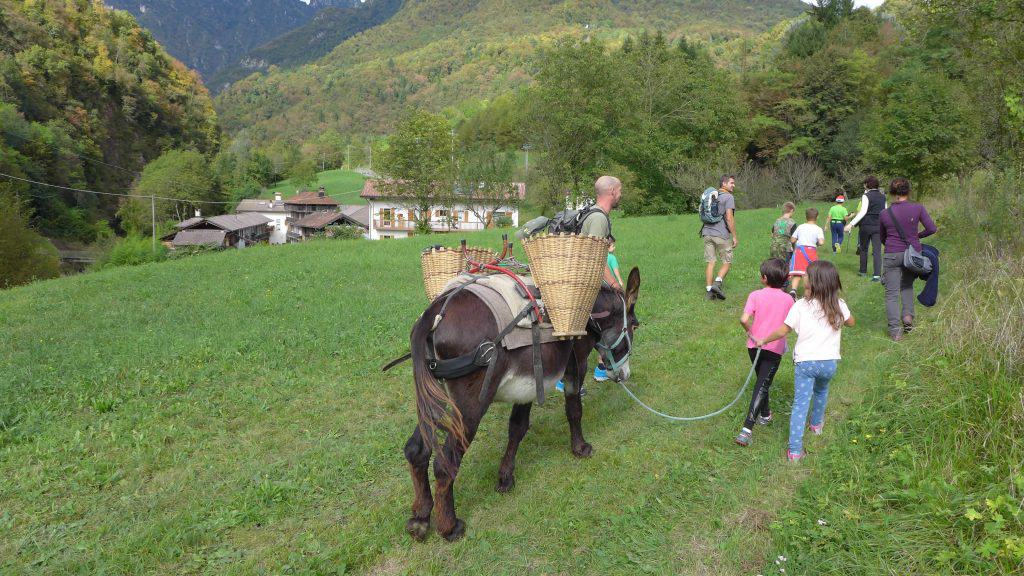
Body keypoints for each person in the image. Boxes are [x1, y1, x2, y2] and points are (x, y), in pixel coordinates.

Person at [754, 260, 855, 462]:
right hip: (829, 363)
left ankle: (794, 451)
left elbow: (784, 330)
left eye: (807, 276)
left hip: (806, 363)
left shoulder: (800, 306)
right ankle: (816, 425)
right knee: (821, 391)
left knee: (801, 403)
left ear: (814, 282)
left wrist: (764, 340)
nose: (804, 278)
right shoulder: (839, 304)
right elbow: (851, 322)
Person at [557, 175, 621, 392]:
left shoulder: (594, 214)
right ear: (612, 191)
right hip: (580, 285)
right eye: (619, 190)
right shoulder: (599, 219)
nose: (620, 194)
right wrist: (614, 285)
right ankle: (571, 374)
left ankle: (588, 371)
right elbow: (595, 258)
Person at [734, 258, 794, 448]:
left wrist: (751, 334)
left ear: (764, 278)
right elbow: (790, 326)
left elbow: (744, 319)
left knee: (762, 381)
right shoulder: (789, 299)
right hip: (774, 349)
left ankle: (766, 414)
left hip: (753, 347)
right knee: (762, 384)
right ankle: (746, 430)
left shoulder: (755, 295)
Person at [878, 177, 937, 341]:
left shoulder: (884, 213)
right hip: (911, 255)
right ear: (908, 191)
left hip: (892, 254)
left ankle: (895, 332)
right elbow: (932, 228)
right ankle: (908, 317)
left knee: (891, 294)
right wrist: (916, 237)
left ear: (892, 192)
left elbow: (882, 237)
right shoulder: (917, 208)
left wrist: (891, 246)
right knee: (907, 286)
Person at [701, 175, 738, 301]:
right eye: (731, 183)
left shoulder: (712, 196)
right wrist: (734, 236)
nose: (733, 185)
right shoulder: (728, 197)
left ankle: (709, 291)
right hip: (721, 234)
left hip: (706, 233)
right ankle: (717, 284)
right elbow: (729, 218)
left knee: (710, 262)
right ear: (724, 183)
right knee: (727, 262)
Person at [845, 176, 887, 281]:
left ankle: (863, 271)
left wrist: (851, 224)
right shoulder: (883, 196)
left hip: (866, 226)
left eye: (864, 184)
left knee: (864, 248)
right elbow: (885, 212)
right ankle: (877, 275)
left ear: (867, 185)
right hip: (878, 226)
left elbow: (863, 212)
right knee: (877, 250)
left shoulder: (866, 195)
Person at [788, 207, 825, 299]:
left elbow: (792, 239)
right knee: (808, 273)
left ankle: (793, 291)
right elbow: (821, 242)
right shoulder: (818, 229)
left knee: (797, 273)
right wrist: (817, 242)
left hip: (800, 251)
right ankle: (807, 294)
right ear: (817, 217)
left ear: (806, 216)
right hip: (811, 251)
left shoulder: (800, 227)